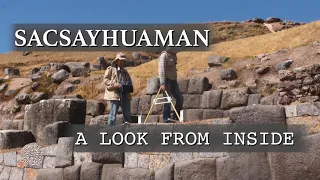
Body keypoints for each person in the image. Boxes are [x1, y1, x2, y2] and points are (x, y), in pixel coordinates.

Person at [103, 52, 133, 126]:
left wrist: (128, 87)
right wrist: (116, 85)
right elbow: (106, 80)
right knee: (112, 116)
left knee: (127, 115)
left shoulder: (125, 71)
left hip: (125, 94)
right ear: (117, 61)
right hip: (115, 95)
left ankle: (128, 131)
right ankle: (109, 131)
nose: (123, 61)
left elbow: (129, 82)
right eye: (121, 60)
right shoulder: (111, 69)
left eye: (123, 60)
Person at [158, 48, 184, 123]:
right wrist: (162, 83)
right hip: (166, 81)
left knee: (180, 99)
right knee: (168, 100)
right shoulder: (164, 55)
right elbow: (161, 70)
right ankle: (166, 118)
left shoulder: (174, 56)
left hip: (173, 81)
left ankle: (176, 117)